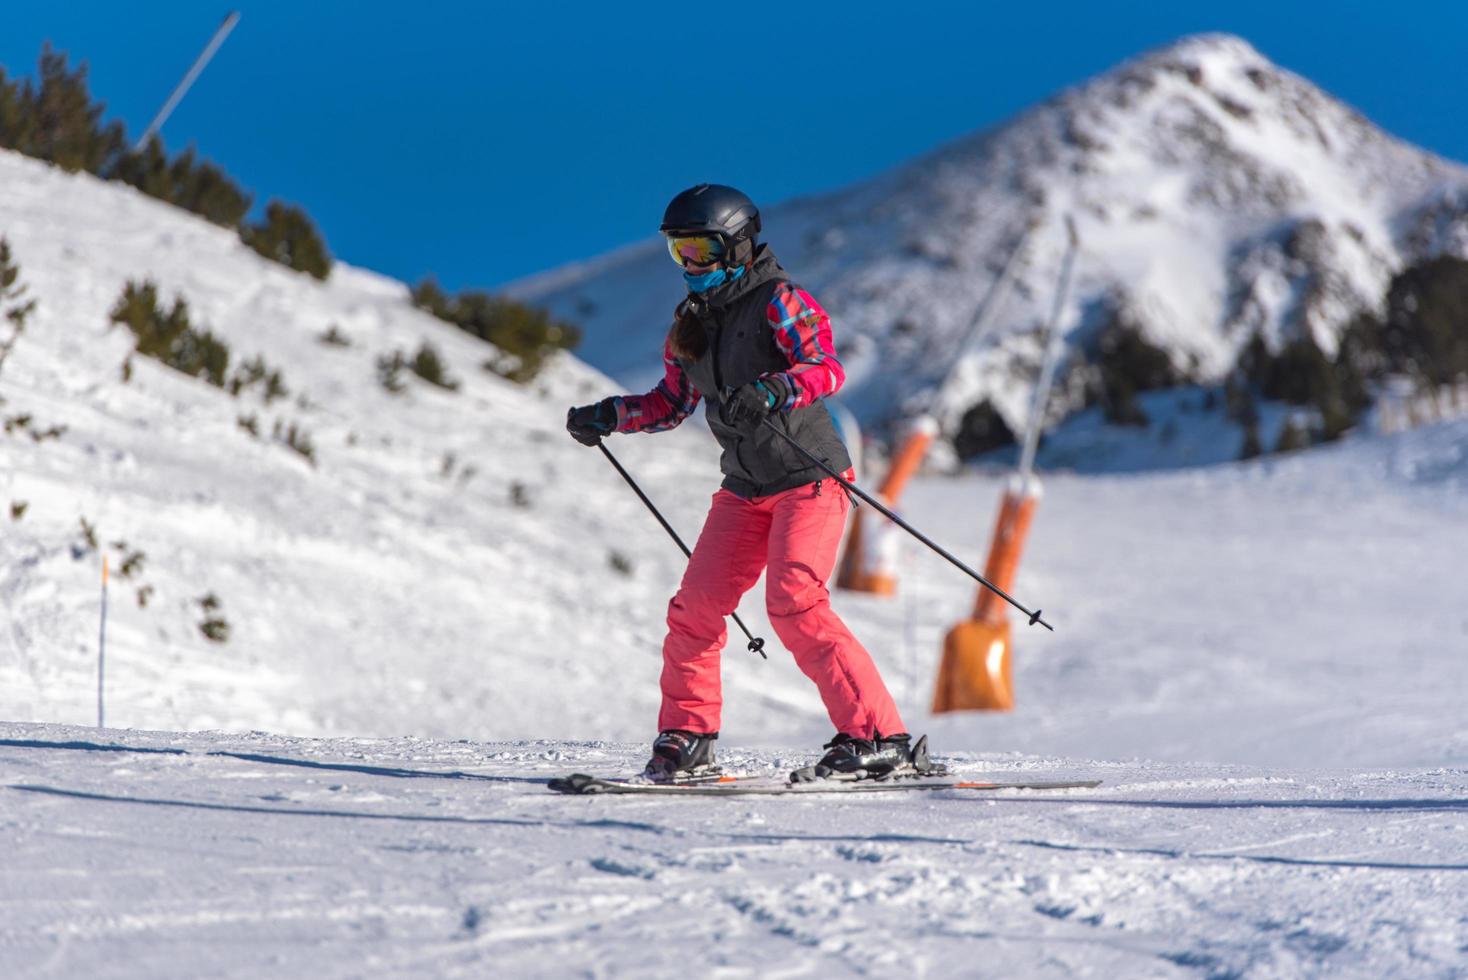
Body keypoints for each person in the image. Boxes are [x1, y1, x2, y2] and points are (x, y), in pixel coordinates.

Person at [567, 184, 930, 783]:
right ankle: (688, 737)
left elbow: (825, 365)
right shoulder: (690, 324)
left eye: (702, 251)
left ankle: (878, 736)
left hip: (809, 475)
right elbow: (670, 403)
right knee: (695, 609)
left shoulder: (778, 300)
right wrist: (611, 414)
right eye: (679, 252)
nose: (691, 266)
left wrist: (777, 388)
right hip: (745, 487)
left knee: (794, 601)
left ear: (737, 247)